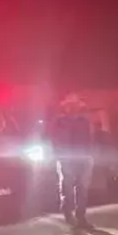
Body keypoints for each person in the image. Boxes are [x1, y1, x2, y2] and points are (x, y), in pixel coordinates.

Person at [48, 94, 95, 227]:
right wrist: (58, 154)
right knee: (67, 187)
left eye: (75, 106)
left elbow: (89, 139)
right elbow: (54, 139)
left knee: (82, 188)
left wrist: (90, 155)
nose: (73, 108)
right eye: (70, 106)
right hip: (67, 157)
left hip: (83, 157)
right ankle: (68, 214)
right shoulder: (59, 121)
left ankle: (81, 217)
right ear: (66, 107)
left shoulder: (84, 121)